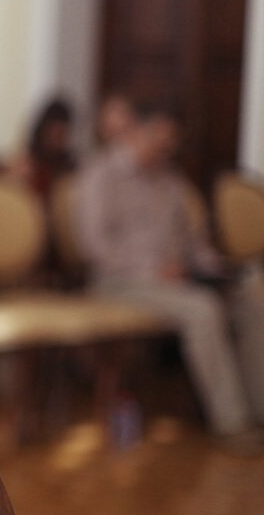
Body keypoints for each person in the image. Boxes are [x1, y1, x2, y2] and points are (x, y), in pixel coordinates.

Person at [77, 103, 264, 449]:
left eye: (169, 145)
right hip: (121, 282)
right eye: (157, 142)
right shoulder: (100, 175)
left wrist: (215, 269)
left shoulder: (172, 183)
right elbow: (95, 247)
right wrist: (153, 269)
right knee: (202, 308)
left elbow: (194, 244)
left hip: (177, 280)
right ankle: (233, 422)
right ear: (136, 131)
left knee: (251, 304)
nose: (164, 151)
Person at [12, 97, 75, 201]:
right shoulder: (28, 161)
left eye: (61, 135)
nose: (56, 141)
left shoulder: (67, 169)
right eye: (54, 134)